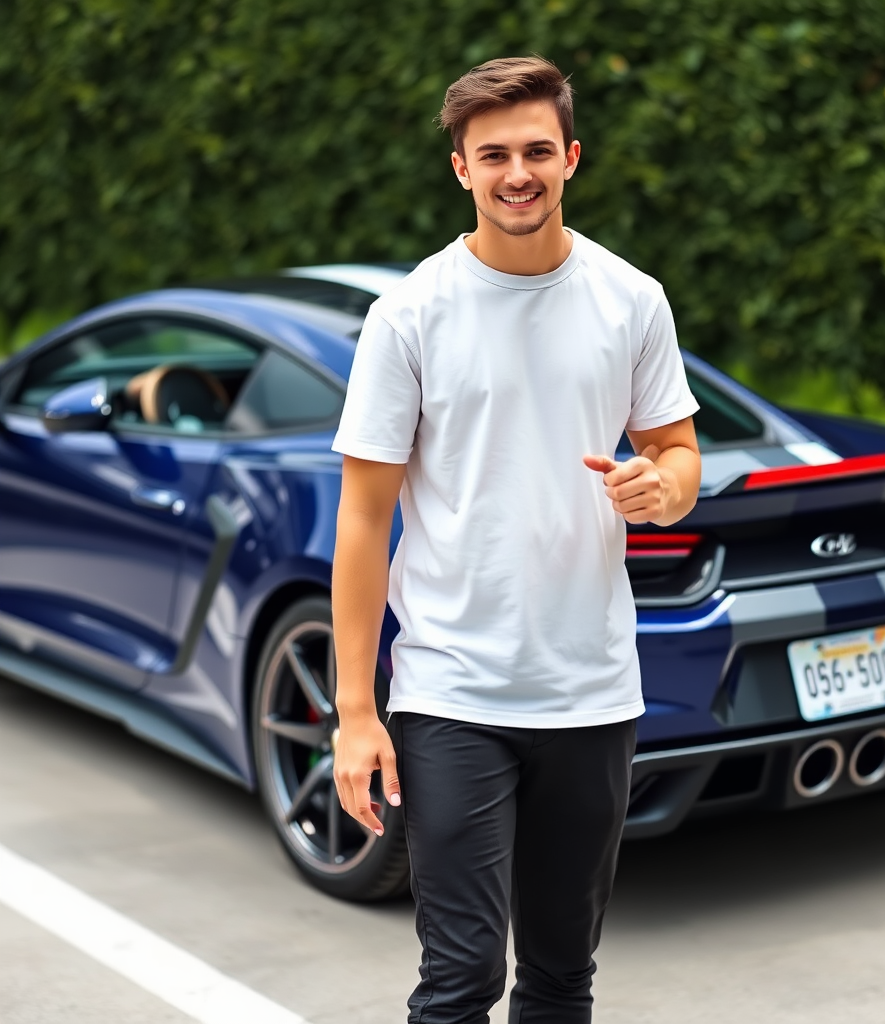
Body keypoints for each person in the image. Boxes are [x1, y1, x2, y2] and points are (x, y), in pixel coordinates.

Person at [331, 55, 701, 1024]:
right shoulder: (410, 314)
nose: (517, 173)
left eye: (537, 150)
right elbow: (365, 521)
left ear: (571, 156)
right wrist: (355, 711)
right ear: (460, 168)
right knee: (459, 978)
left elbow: (678, 451)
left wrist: (660, 487)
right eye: (492, 154)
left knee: (559, 977)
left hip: (591, 689)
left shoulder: (632, 299)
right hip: (453, 689)